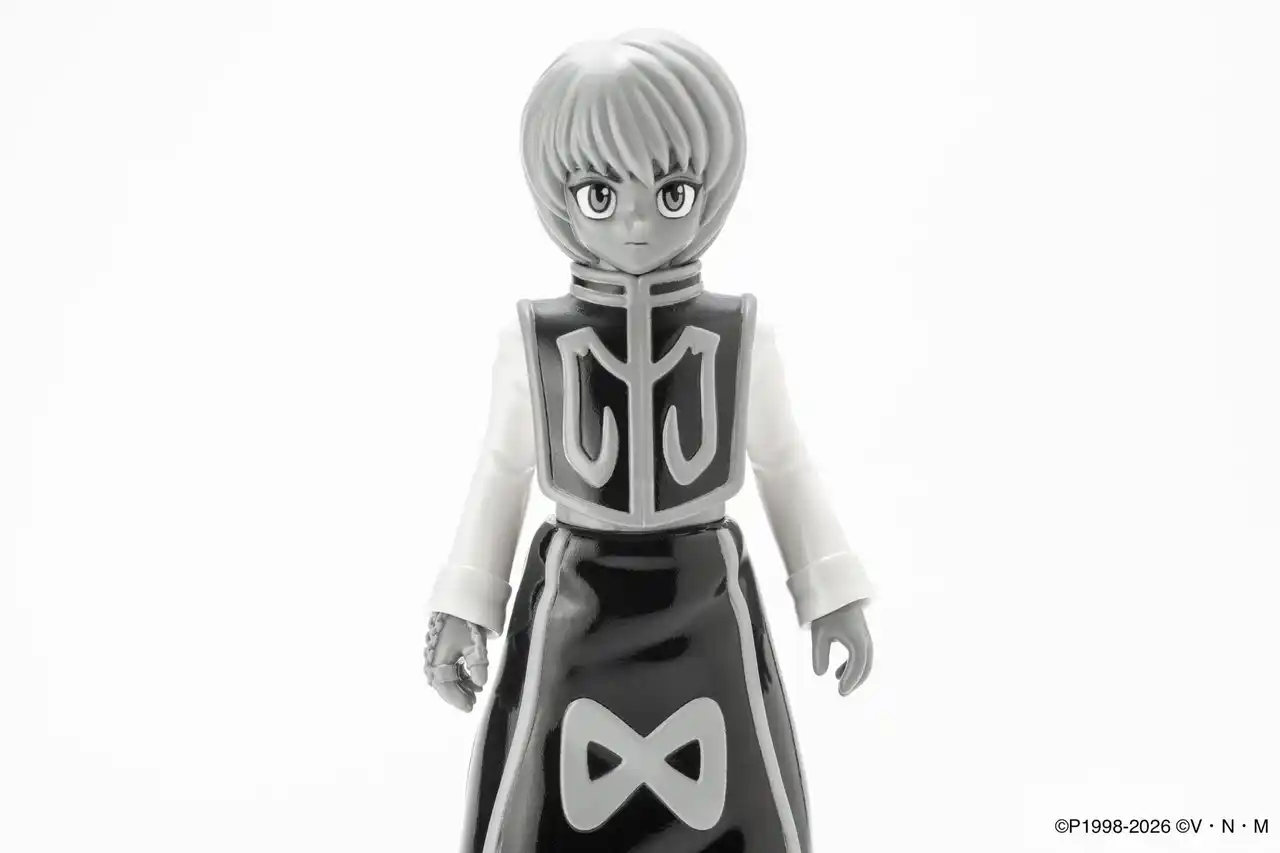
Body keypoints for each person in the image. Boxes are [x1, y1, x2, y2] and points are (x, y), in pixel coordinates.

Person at [423, 29, 875, 853]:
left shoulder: (740, 335)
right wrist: (466, 604)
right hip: (575, 599)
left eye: (671, 191)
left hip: (705, 596)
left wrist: (829, 590)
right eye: (601, 192)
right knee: (541, 798)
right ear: (560, 195)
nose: (636, 218)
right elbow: (501, 471)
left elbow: (784, 462)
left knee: (740, 799)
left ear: (713, 189)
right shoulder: (535, 339)